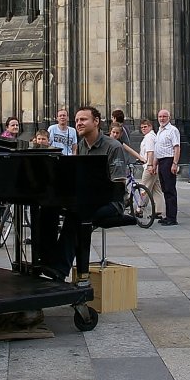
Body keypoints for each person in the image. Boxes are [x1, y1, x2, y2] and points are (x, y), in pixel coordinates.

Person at [41, 106, 126, 284]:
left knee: (77, 216)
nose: (79, 123)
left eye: (83, 119)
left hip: (110, 203)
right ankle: (46, 260)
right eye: (77, 120)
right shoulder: (81, 146)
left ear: (96, 122)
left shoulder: (113, 146)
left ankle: (59, 268)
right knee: (47, 209)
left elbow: (118, 185)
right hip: (87, 199)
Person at [155, 109, 181, 226]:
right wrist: (155, 164)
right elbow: (157, 149)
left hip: (169, 160)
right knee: (165, 189)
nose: (162, 118)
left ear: (169, 118)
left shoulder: (172, 130)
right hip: (161, 161)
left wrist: (174, 163)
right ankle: (168, 215)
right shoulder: (160, 130)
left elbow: (176, 147)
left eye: (164, 116)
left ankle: (172, 217)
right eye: (160, 116)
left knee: (170, 189)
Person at [139, 120, 164, 219]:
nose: (143, 129)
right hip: (155, 166)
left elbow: (150, 152)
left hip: (150, 166)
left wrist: (149, 165)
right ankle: (159, 210)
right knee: (156, 189)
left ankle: (139, 209)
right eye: (142, 127)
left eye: (145, 127)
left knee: (144, 187)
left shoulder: (149, 137)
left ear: (150, 126)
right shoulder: (154, 136)